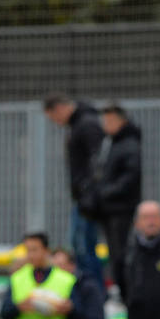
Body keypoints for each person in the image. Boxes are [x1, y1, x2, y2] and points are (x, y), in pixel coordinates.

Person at [42, 92, 106, 282]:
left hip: (88, 199)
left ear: (59, 109)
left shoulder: (86, 124)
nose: (56, 122)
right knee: (81, 246)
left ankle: (93, 291)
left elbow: (98, 162)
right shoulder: (80, 124)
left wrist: (88, 192)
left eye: (53, 117)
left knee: (83, 247)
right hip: (84, 197)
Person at [91, 104, 142, 295]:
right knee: (114, 254)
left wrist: (106, 192)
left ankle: (126, 292)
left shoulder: (128, 144)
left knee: (120, 253)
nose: (106, 125)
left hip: (120, 208)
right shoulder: (110, 142)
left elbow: (130, 176)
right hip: (109, 208)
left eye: (110, 120)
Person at [1, 232, 75, 319]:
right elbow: (4, 313)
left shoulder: (66, 279)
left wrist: (68, 309)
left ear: (46, 251)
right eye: (27, 250)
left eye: (34, 250)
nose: (31, 255)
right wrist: (19, 307)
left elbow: (81, 313)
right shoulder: (17, 278)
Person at [53, 248, 108, 319]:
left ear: (72, 266)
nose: (56, 272)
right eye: (53, 268)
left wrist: (71, 310)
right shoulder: (54, 288)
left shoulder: (87, 287)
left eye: (60, 266)